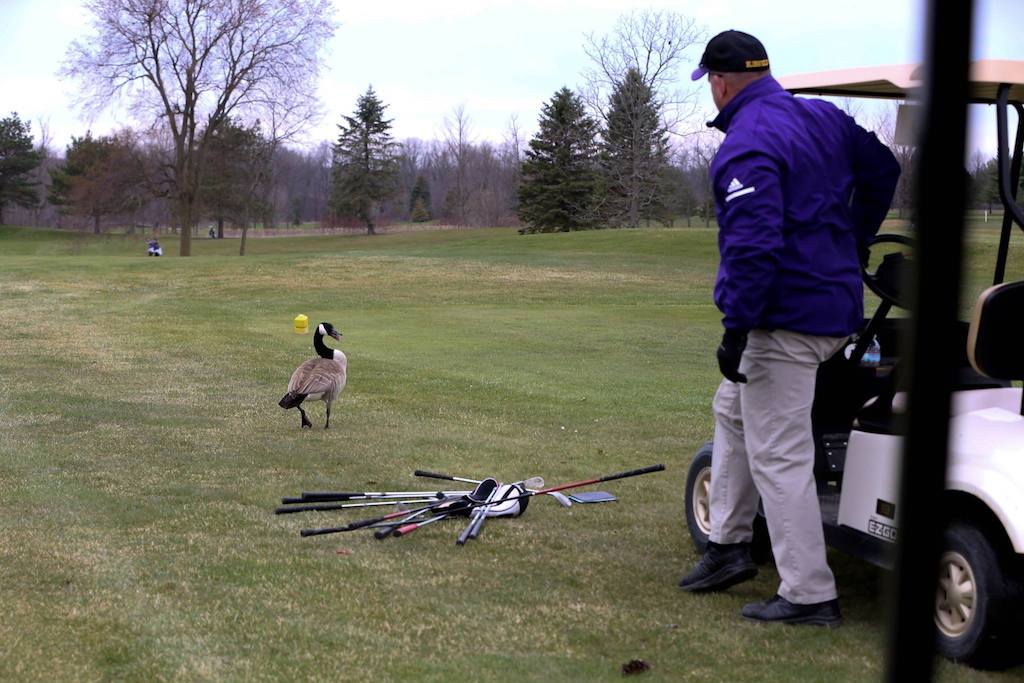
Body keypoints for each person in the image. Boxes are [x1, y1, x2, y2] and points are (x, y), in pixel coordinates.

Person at [678, 30, 900, 627]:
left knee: (779, 453)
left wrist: (736, 328)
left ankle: (807, 592)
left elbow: (753, 248)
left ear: (721, 83)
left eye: (713, 85)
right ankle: (727, 545)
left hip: (786, 318)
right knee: (731, 410)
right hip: (831, 305)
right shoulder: (822, 117)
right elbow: (884, 168)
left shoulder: (747, 144)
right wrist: (853, 238)